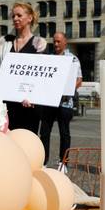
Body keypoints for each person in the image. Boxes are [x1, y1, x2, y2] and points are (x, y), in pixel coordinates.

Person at [0, 2, 47, 134]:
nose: (15, 19)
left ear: (30, 18)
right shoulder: (5, 41)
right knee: (7, 143)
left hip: (29, 105)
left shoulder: (39, 43)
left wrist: (32, 95)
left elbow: (41, 76)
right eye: (13, 16)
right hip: (6, 105)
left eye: (19, 15)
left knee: (26, 144)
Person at [40, 32, 82, 168]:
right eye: (54, 41)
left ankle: (63, 162)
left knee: (64, 133)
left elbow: (79, 80)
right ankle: (43, 161)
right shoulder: (49, 58)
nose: (56, 44)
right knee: (45, 132)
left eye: (58, 41)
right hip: (49, 101)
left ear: (65, 43)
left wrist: (68, 90)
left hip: (65, 102)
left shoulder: (73, 59)